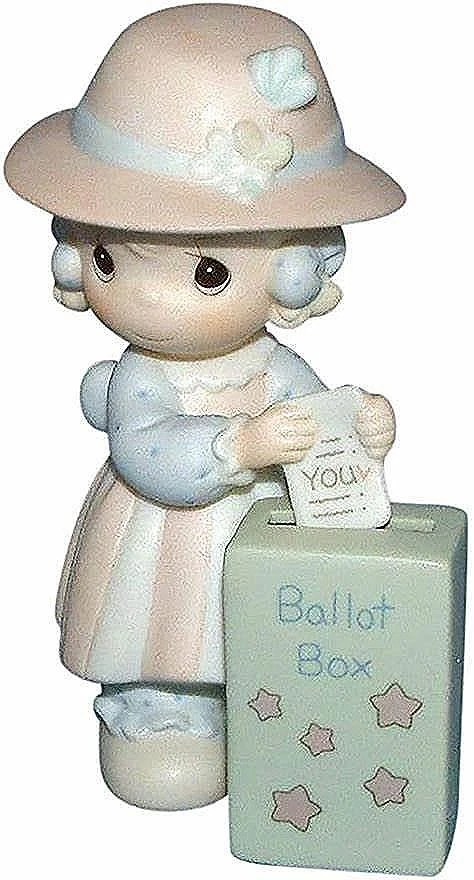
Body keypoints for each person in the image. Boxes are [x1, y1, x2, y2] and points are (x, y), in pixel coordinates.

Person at [4, 4, 402, 810]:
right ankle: (157, 705)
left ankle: (252, 706)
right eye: (110, 259)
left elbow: (319, 423)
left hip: (257, 538)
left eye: (206, 272)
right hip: (159, 533)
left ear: (292, 272)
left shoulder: (274, 365)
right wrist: (239, 446)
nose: (149, 300)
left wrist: (360, 429)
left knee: (248, 625)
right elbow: (144, 451)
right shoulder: (140, 377)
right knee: (155, 624)